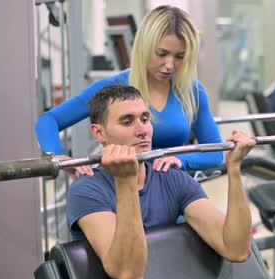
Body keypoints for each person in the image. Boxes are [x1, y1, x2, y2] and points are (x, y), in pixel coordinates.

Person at [66, 84, 275, 279]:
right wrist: (126, 181)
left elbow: (235, 249)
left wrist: (234, 169)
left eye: (145, 119)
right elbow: (130, 274)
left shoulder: (170, 177)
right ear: (99, 132)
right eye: (127, 122)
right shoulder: (87, 191)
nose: (142, 130)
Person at [35, 5, 223, 179]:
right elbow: (48, 120)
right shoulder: (114, 87)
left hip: (171, 189)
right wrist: (59, 157)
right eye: (162, 53)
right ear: (144, 47)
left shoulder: (192, 91)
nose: (169, 65)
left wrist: (180, 161)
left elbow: (216, 153)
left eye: (179, 57)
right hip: (123, 187)